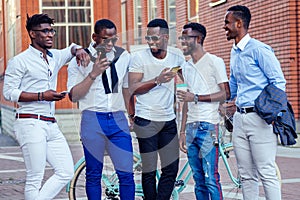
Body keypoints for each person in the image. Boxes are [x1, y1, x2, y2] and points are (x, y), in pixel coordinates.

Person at [3, 13, 89, 200]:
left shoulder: (54, 56)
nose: (50, 34)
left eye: (51, 30)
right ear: (33, 34)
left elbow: (71, 49)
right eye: (45, 31)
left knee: (66, 172)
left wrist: (79, 49)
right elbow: (9, 93)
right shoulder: (19, 61)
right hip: (29, 123)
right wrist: (42, 96)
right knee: (35, 177)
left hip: (51, 124)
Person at [67, 19, 135, 199]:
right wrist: (93, 73)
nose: (110, 44)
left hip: (117, 119)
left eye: (114, 39)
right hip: (92, 119)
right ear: (94, 37)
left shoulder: (124, 56)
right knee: (93, 174)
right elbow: (73, 95)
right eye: (105, 39)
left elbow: (126, 88)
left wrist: (131, 116)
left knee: (126, 174)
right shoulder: (81, 59)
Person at [223, 5, 285, 200]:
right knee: (246, 175)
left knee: (266, 172)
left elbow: (278, 82)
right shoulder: (235, 52)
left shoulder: (259, 50)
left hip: (259, 118)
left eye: (227, 22)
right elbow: (233, 85)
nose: (224, 27)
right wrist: (218, 99)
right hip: (240, 119)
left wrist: (271, 113)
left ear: (239, 23)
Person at [128, 18, 185, 200]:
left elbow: (188, 81)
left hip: (168, 120)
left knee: (171, 168)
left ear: (166, 37)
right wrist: (157, 80)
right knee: (149, 170)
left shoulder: (177, 57)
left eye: (155, 38)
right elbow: (133, 88)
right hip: (146, 120)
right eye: (148, 37)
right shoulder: (138, 58)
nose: (150, 42)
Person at [177, 22, 230, 200]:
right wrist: (182, 130)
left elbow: (225, 93)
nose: (183, 41)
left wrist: (197, 97)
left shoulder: (215, 62)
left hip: (209, 126)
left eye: (186, 37)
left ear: (198, 39)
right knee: (198, 180)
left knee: (210, 179)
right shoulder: (186, 66)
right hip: (191, 127)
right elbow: (187, 99)